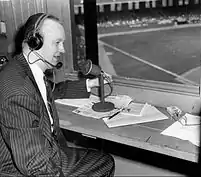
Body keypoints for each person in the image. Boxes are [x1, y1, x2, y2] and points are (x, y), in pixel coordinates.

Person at [0, 13, 115, 177]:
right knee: (105, 163)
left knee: (102, 160)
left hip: (48, 148)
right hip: (22, 166)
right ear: (35, 42)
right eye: (57, 43)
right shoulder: (18, 90)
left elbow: (55, 90)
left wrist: (90, 84)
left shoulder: (25, 68)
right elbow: (34, 166)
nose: (63, 49)